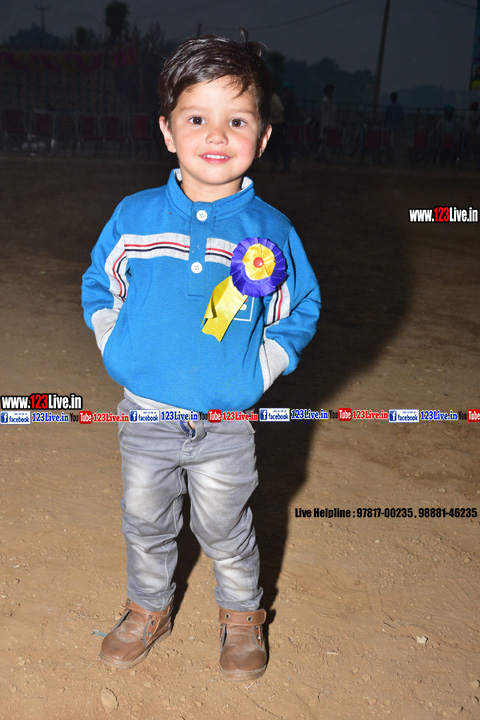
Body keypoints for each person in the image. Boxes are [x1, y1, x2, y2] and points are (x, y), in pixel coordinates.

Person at [81, 33, 320, 682]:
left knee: (225, 528)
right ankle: (148, 607)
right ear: (167, 130)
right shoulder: (134, 216)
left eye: (237, 120)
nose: (216, 134)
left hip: (225, 426)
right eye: (196, 118)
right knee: (145, 521)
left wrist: (260, 368)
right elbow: (101, 281)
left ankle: (241, 615)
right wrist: (113, 341)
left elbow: (298, 309)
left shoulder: (271, 232)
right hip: (145, 416)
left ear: (262, 137)